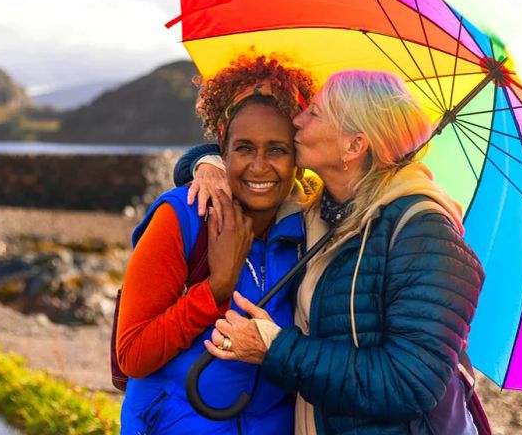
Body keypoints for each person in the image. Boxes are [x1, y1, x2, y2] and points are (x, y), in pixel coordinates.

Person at [181, 69, 486, 434]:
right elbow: (246, 162)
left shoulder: (425, 233)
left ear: (354, 146)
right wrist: (207, 165)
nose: (298, 119)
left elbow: (410, 382)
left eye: (315, 114)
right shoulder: (318, 210)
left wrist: (275, 349)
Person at [116, 54, 315, 435]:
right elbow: (132, 355)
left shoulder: (309, 233)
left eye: (277, 149)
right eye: (244, 148)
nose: (259, 166)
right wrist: (215, 289)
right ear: (222, 148)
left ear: (298, 158)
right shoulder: (185, 215)